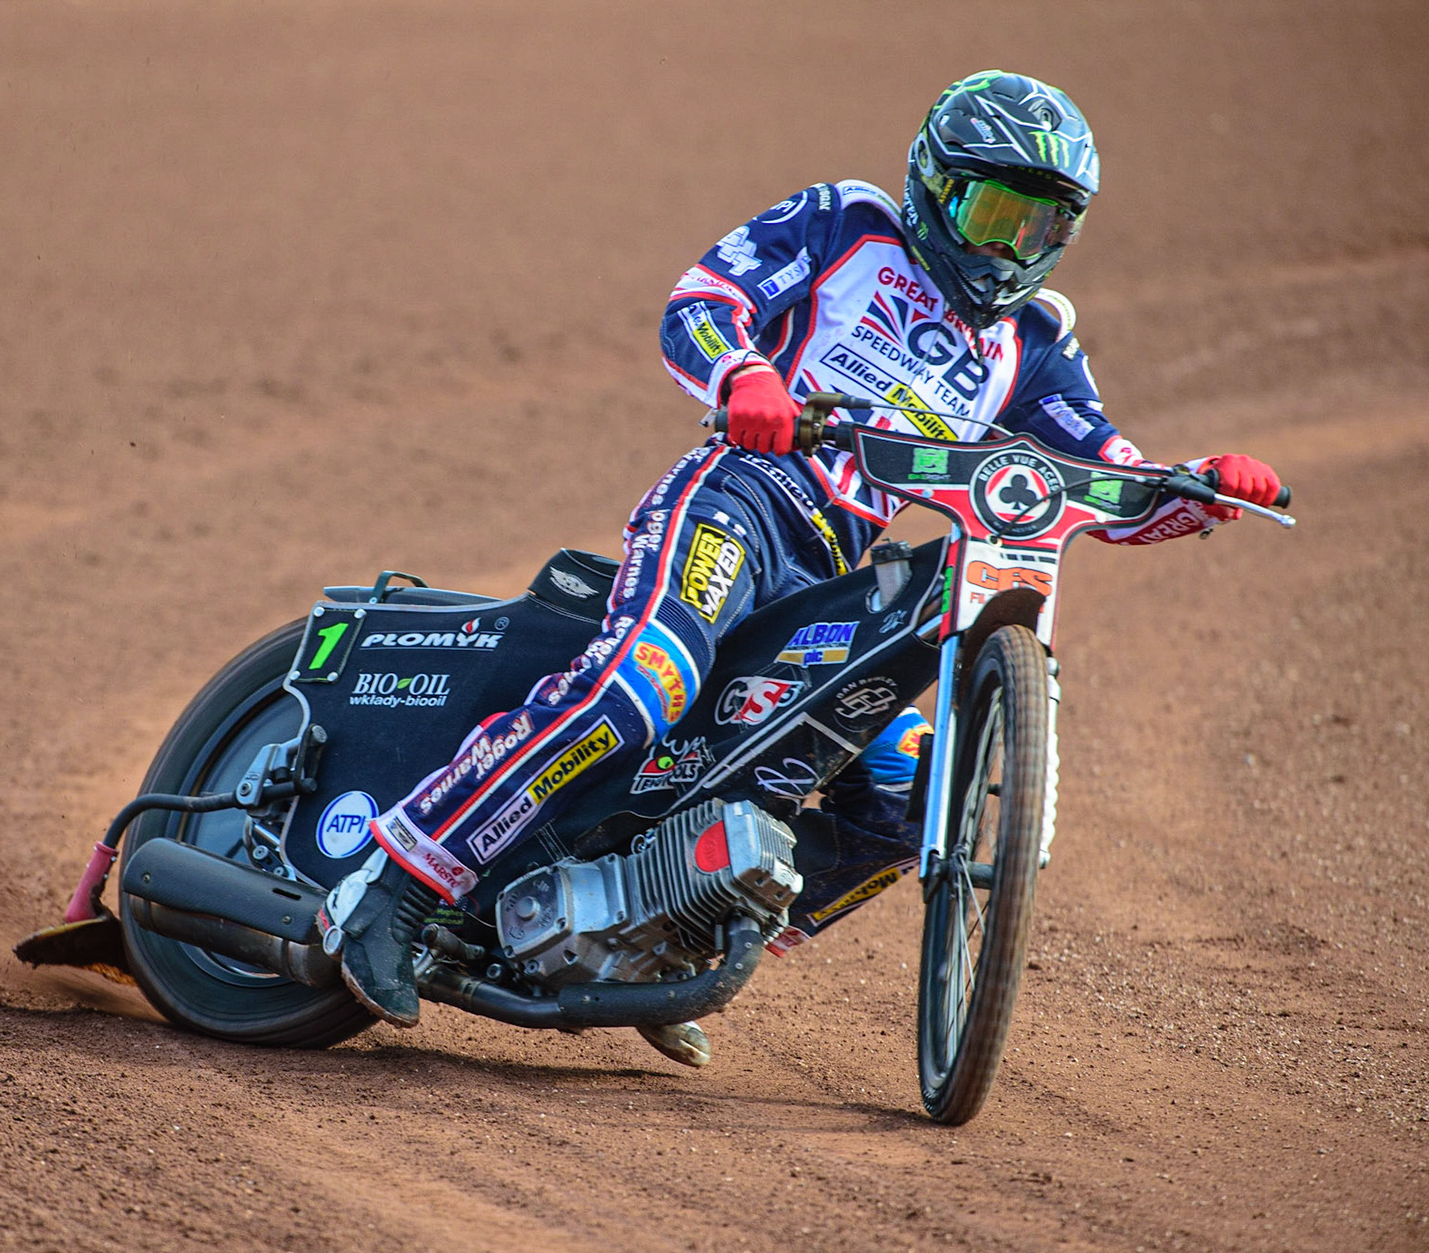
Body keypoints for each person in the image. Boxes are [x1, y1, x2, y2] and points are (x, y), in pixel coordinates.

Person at [323, 71, 1283, 1032]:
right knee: (642, 681)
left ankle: (672, 930)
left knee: (914, 791)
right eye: (994, 212)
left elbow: (1101, 473)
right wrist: (744, 375)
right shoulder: (847, 225)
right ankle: (394, 883)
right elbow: (701, 302)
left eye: (1040, 228)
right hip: (738, 500)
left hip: (834, 571)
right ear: (935, 185)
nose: (1010, 247)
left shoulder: (1034, 342)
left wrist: (1196, 489)